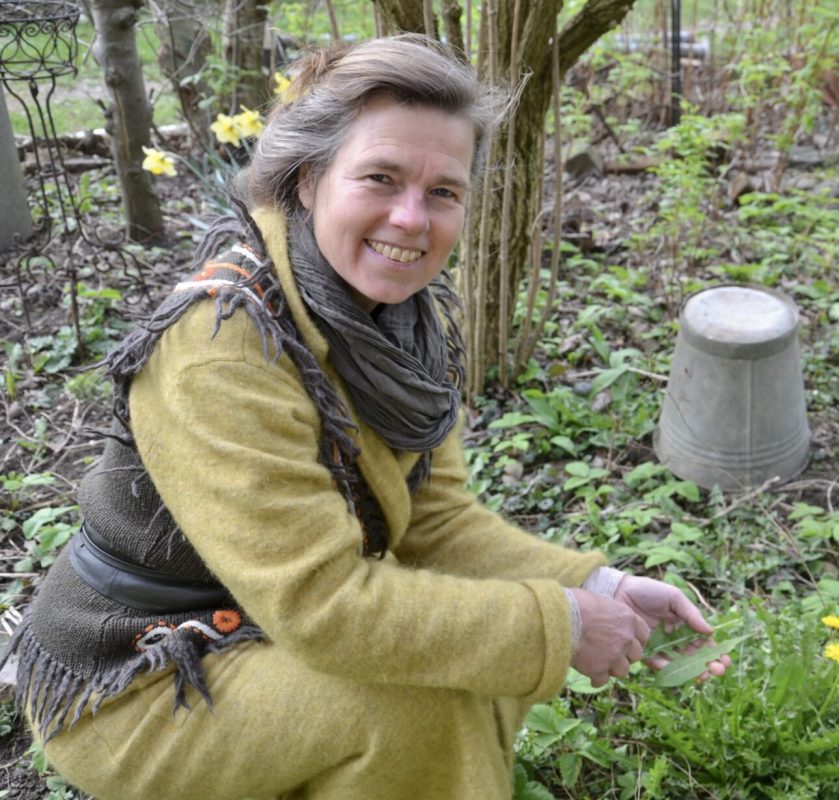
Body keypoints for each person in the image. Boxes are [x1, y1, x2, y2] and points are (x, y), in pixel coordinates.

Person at [3, 34, 728, 800]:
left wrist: (601, 588)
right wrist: (564, 626)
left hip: (251, 626)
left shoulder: (394, 324)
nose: (412, 219)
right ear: (310, 180)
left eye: (443, 191)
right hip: (137, 674)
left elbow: (436, 525)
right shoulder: (223, 349)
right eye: (380, 178)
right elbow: (324, 606)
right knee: (418, 705)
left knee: (479, 656)